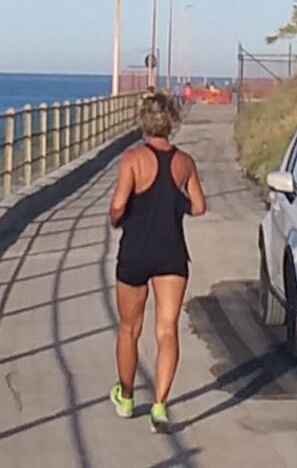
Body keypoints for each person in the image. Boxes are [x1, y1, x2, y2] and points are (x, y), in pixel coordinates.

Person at [107, 93, 206, 433]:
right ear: (172, 122)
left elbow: (118, 205)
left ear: (143, 123)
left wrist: (117, 218)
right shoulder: (185, 163)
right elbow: (199, 207)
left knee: (129, 329)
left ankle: (127, 396)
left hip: (135, 251)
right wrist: (174, 202)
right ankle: (161, 405)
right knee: (167, 329)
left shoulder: (132, 159)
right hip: (171, 254)